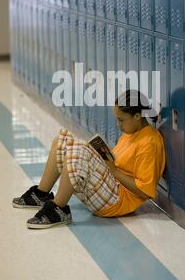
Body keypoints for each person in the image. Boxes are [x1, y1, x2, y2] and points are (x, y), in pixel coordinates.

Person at [12, 90, 166, 229]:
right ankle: (41, 194)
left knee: (79, 149)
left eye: (121, 120)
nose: (118, 125)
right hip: (110, 185)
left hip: (119, 200)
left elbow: (145, 191)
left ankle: (59, 210)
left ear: (138, 116)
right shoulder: (132, 131)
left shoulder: (149, 142)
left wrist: (114, 172)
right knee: (62, 139)